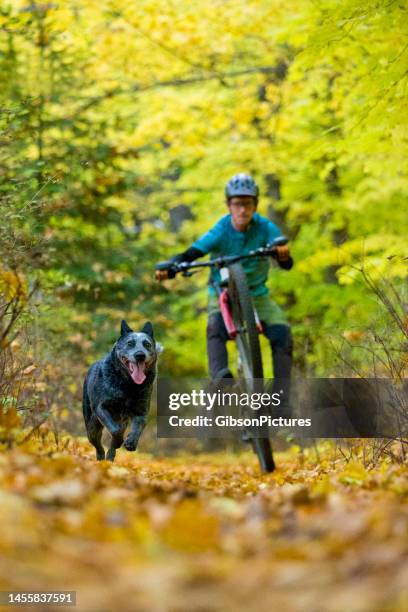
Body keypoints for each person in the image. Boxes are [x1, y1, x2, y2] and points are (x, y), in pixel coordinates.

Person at [156, 173, 293, 410]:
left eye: (248, 204)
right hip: (222, 292)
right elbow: (194, 252)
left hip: (257, 294)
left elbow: (282, 251)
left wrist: (282, 253)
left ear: (255, 206)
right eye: (237, 204)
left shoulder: (264, 226)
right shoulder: (221, 228)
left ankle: (279, 401)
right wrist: (173, 264)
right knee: (215, 327)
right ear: (229, 205)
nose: (242, 210)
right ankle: (220, 375)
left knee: (283, 334)